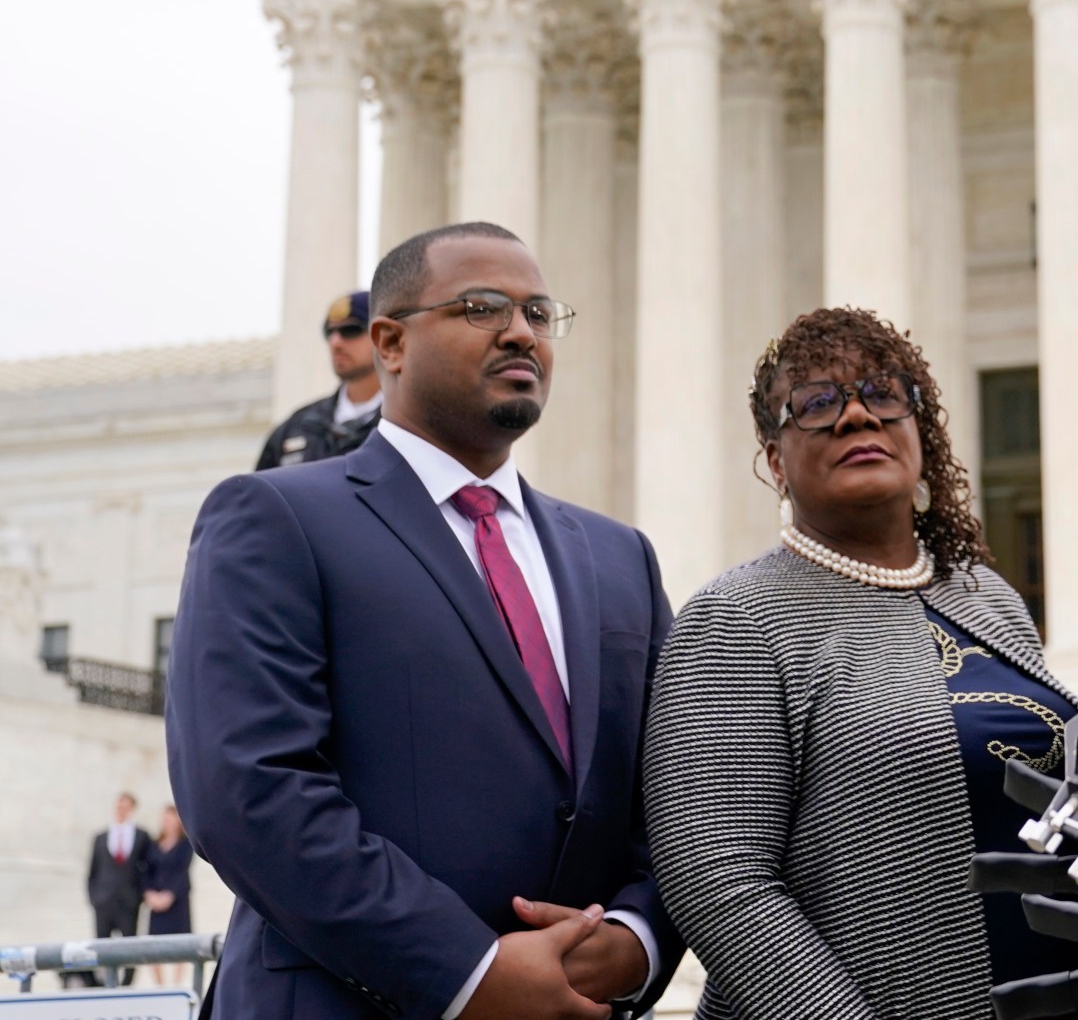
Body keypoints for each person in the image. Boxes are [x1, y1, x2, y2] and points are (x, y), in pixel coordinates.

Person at [169, 221, 682, 1020]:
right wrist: (468, 973)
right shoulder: (278, 517)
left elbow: (675, 793)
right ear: (390, 342)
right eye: (482, 307)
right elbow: (247, 791)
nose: (521, 332)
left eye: (540, 314)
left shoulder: (621, 559)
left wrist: (636, 939)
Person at [644, 307, 1078, 1019]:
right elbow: (717, 877)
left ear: (919, 429)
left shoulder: (986, 596)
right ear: (777, 460)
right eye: (816, 404)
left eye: (881, 393)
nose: (855, 418)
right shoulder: (736, 619)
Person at [257, 290, 384, 470]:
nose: (335, 342)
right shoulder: (297, 427)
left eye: (351, 330)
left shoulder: (408, 425)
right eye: (329, 332)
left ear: (383, 336)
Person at [83, 792, 156, 986]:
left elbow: (147, 867)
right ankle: (104, 982)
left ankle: (127, 984)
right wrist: (94, 898)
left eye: (126, 805)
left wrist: (141, 895)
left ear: (132, 808)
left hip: (129, 900)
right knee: (102, 945)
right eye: (119, 805)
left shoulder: (141, 836)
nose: (121, 809)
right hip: (104, 901)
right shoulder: (101, 837)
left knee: (130, 945)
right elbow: (93, 871)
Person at [143, 805, 195, 986]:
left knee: (181, 942)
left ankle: (177, 984)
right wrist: (149, 894)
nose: (167, 822)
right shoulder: (153, 845)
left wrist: (169, 895)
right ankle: (160, 985)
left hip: (177, 899)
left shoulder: (186, 844)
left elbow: (182, 870)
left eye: (171, 819)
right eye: (165, 819)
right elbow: (147, 871)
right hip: (156, 899)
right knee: (154, 943)